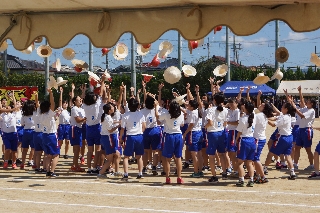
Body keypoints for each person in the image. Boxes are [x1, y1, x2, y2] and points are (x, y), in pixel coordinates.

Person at [264, 102, 297, 180]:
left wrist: (265, 120)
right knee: (287, 155)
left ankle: (264, 168)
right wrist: (266, 117)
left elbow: (273, 124)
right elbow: (274, 118)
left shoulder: (284, 117)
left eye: (283, 107)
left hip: (282, 138)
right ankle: (292, 172)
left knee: (271, 152)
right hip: (289, 138)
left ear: (286, 109)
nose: (281, 108)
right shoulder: (288, 116)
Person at [155, 100, 184, 184]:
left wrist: (156, 106)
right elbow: (182, 124)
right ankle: (179, 177)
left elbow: (157, 116)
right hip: (178, 135)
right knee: (178, 158)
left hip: (169, 136)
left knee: (167, 159)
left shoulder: (167, 114)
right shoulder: (181, 114)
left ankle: (168, 177)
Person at [82, 75, 106, 174]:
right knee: (98, 150)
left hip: (89, 129)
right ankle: (95, 167)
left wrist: (85, 90)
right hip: (97, 128)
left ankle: (89, 168)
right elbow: (101, 93)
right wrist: (103, 81)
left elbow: (84, 98)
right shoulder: (97, 105)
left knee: (90, 151)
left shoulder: (85, 106)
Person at [119, 98, 146, 180]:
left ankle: (126, 174)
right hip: (139, 136)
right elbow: (144, 126)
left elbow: (122, 129)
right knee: (139, 156)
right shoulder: (141, 114)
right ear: (137, 106)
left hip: (130, 136)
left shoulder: (125, 115)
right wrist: (140, 132)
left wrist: (120, 139)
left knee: (126, 157)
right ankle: (140, 173)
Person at [205, 92, 228, 182]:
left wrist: (204, 126)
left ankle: (214, 175)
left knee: (211, 155)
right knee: (222, 154)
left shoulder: (210, 110)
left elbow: (210, 123)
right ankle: (224, 172)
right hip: (221, 132)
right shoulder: (225, 110)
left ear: (214, 100)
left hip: (212, 133)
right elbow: (225, 123)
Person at [252, 91, 274, 183]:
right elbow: (258, 108)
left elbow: (254, 112)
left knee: (255, 158)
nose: (260, 105)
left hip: (258, 139)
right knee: (256, 158)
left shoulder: (259, 115)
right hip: (261, 138)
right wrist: (258, 97)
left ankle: (262, 176)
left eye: (262, 104)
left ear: (264, 107)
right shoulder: (263, 115)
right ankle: (257, 175)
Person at [294, 86, 315, 170]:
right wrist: (300, 91)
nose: (307, 102)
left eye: (308, 102)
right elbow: (302, 102)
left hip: (307, 130)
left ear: (312, 104)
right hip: (301, 129)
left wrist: (295, 109)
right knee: (297, 147)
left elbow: (302, 116)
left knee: (308, 148)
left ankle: (311, 164)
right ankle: (295, 163)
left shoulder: (311, 110)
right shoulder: (306, 108)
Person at [97, 103, 121, 178]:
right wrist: (119, 125)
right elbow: (110, 130)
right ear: (109, 110)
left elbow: (110, 122)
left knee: (117, 154)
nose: (113, 108)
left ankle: (117, 171)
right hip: (108, 138)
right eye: (112, 107)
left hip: (105, 138)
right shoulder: (108, 117)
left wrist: (118, 122)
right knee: (110, 158)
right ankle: (101, 173)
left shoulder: (106, 116)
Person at [235, 101, 256, 187]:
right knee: (249, 162)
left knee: (240, 162)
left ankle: (241, 179)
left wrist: (236, 140)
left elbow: (239, 132)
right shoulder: (253, 117)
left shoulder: (243, 119)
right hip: (252, 140)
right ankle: (251, 180)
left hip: (244, 140)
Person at [40, 88, 59, 177]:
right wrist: (51, 93)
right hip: (51, 135)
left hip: (44, 135)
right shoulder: (49, 114)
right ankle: (52, 171)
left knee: (47, 155)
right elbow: (53, 103)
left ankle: (47, 171)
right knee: (55, 154)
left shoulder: (40, 114)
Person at [140, 95, 161, 175]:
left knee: (145, 151)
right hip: (155, 130)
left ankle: (144, 168)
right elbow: (157, 102)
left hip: (145, 131)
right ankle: (154, 167)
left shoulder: (142, 111)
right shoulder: (157, 108)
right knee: (155, 151)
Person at [183, 98, 203, 178]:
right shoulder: (198, 111)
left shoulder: (192, 113)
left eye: (189, 105)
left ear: (192, 106)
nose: (188, 106)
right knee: (199, 153)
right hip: (199, 132)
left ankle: (196, 172)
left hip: (193, 134)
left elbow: (191, 125)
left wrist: (185, 133)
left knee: (194, 154)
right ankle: (200, 171)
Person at [1, 92, 19, 169]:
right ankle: (6, 161)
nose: (7, 107)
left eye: (9, 106)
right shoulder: (2, 115)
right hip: (6, 134)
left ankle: (14, 163)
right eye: (6, 106)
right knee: (7, 149)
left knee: (14, 150)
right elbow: (0, 108)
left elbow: (15, 106)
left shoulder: (13, 114)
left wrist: (13, 96)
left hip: (14, 134)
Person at [69, 95, 86, 172]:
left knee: (78, 148)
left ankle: (74, 165)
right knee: (77, 149)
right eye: (79, 100)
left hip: (79, 128)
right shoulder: (74, 109)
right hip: (75, 128)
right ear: (75, 102)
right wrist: (86, 119)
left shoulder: (81, 109)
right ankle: (76, 166)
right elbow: (78, 120)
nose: (81, 100)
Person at [225, 97, 240, 177]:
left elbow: (237, 122)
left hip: (234, 131)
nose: (231, 105)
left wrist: (228, 122)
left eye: (232, 104)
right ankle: (234, 168)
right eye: (230, 104)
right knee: (230, 151)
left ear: (236, 104)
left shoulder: (237, 111)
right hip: (230, 132)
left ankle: (236, 170)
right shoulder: (229, 110)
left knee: (233, 151)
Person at [20, 100, 36, 169]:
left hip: (26, 131)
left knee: (25, 149)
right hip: (33, 132)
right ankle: (30, 160)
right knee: (33, 148)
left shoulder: (24, 115)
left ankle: (23, 163)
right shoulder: (35, 114)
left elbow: (22, 124)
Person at [57, 87, 71, 159]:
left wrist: (72, 91)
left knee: (67, 141)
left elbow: (71, 101)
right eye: (64, 103)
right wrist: (61, 93)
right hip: (62, 126)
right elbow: (60, 100)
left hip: (68, 126)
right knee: (60, 141)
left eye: (66, 103)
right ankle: (58, 152)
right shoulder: (61, 109)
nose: (65, 104)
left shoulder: (69, 111)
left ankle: (66, 153)